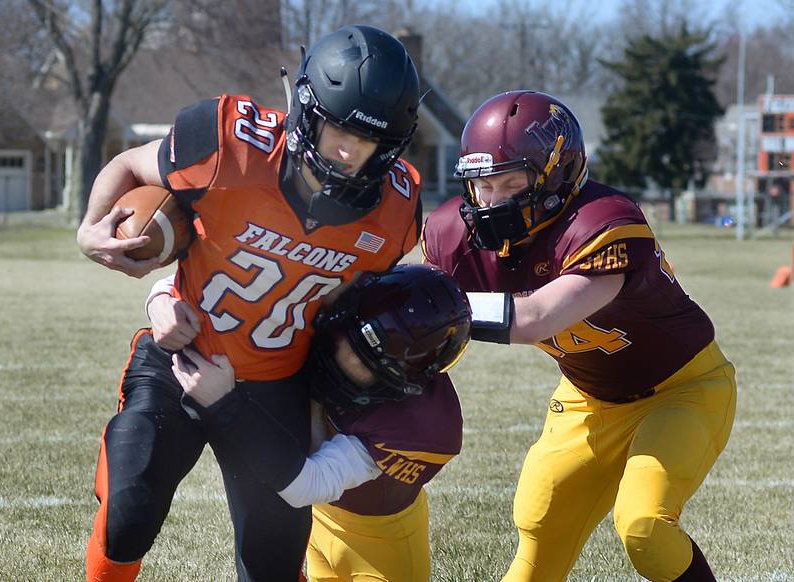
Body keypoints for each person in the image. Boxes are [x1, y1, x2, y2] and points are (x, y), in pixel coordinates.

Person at [77, 25, 423, 582]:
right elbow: (131, 165)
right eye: (338, 128)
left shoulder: (396, 213)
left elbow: (343, 313)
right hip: (181, 361)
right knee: (128, 512)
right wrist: (92, 231)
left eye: (368, 141)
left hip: (274, 386)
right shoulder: (227, 142)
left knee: (272, 564)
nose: (347, 151)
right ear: (308, 109)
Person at [421, 90, 737, 582]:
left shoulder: (602, 221)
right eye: (482, 185)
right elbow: (425, 332)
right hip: (588, 397)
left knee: (644, 527)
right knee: (538, 529)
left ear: (556, 175)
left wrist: (435, 309)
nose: (491, 202)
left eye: (509, 182)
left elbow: (537, 317)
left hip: (683, 390)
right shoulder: (452, 236)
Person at [148, 263, 472, 582]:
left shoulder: (423, 426)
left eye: (369, 364)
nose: (343, 360)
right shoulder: (331, 292)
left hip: (379, 540)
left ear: (407, 378)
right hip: (317, 524)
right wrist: (161, 298)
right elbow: (213, 278)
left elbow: (309, 485)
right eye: (346, 339)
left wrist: (224, 405)